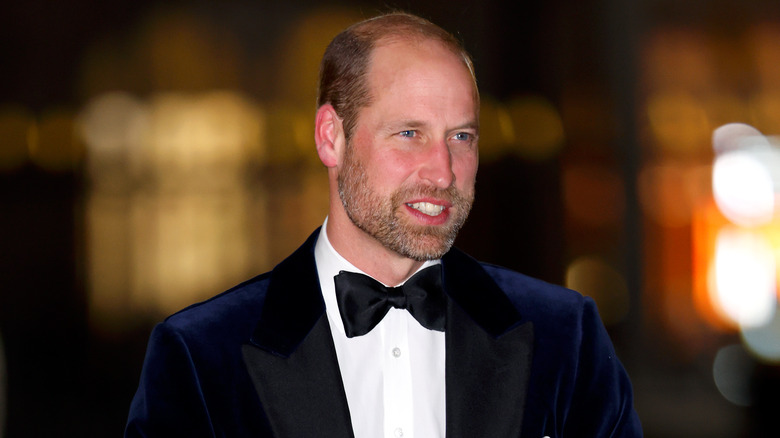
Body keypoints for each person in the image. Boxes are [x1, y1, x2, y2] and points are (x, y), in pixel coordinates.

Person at [125, 12, 642, 438]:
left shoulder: (566, 338)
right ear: (331, 137)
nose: (443, 172)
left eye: (461, 137)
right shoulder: (199, 357)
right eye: (409, 133)